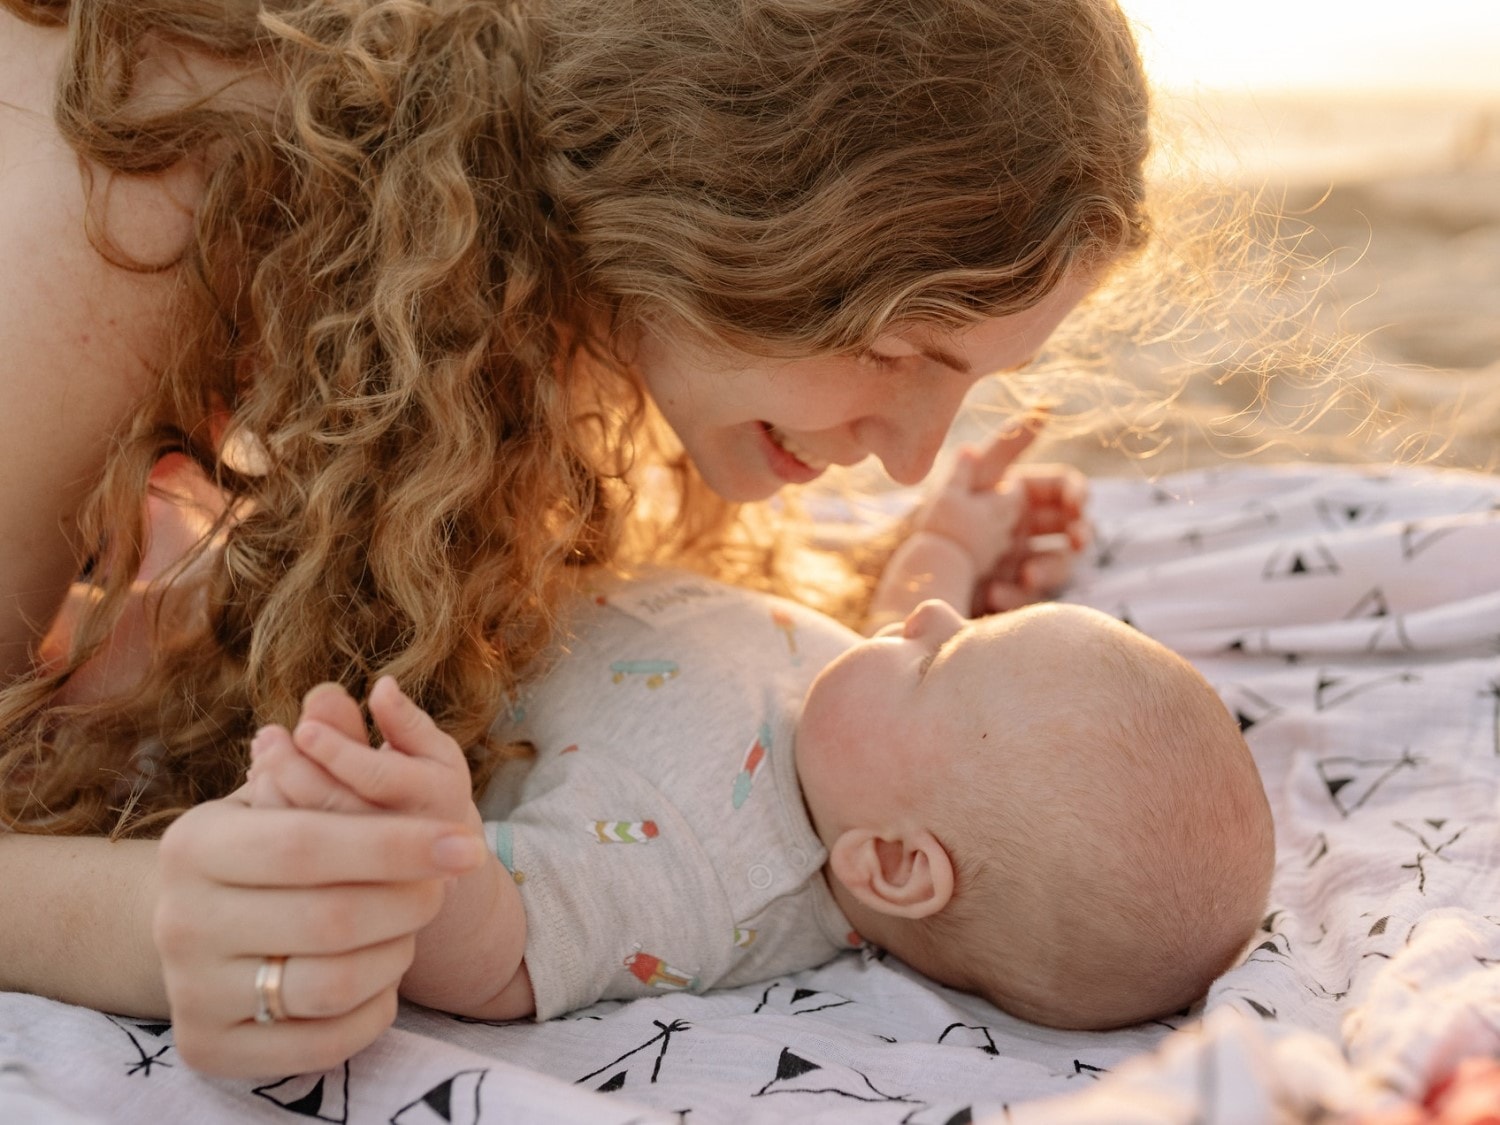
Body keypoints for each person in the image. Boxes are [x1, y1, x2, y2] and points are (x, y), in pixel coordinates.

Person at [0, 0, 1149, 1077]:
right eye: (897, 354)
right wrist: (147, 922)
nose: (912, 458)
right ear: (722, 198)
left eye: (971, 385)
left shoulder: (497, 250)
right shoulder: (144, 178)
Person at [244, 441, 1274, 1036]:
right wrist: (952, 540)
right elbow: (908, 607)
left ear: (897, 864)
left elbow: (512, 956)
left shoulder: (703, 875)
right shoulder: (862, 735)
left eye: (943, 659)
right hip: (468, 555)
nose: (927, 623)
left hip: (364, 644)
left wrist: (426, 852)